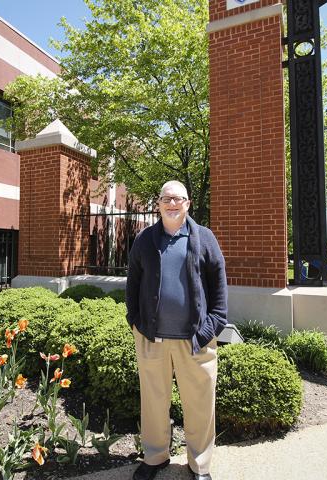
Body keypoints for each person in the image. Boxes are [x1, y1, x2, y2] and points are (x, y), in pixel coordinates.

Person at [126, 180, 228, 480]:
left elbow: (219, 290)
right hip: (152, 340)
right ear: (158, 203)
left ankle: (200, 465)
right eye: (166, 199)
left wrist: (211, 327)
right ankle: (155, 457)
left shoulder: (205, 238)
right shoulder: (144, 240)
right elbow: (133, 285)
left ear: (188, 203)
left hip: (195, 341)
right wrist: (135, 323)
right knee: (153, 404)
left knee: (200, 406)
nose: (172, 204)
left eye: (178, 199)